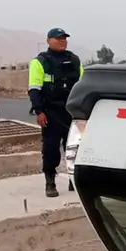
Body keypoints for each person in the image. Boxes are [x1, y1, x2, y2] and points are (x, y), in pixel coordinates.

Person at [28, 28, 83, 197]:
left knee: (76, 148)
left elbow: (83, 86)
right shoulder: (40, 62)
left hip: (72, 113)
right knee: (51, 149)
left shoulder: (74, 60)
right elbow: (34, 89)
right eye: (58, 38)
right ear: (48, 41)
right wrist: (39, 111)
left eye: (64, 38)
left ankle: (74, 181)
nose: (62, 41)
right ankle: (50, 181)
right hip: (51, 113)